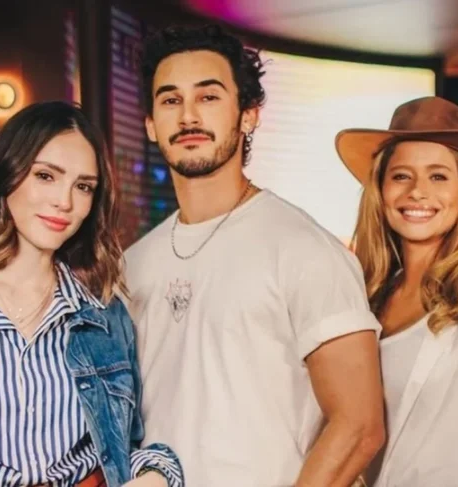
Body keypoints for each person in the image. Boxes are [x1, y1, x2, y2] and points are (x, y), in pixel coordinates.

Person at [124, 24, 385, 487]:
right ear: (149, 124)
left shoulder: (304, 249)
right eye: (170, 100)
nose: (188, 116)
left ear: (248, 115)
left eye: (208, 97)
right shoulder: (132, 265)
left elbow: (360, 426)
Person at [0, 101, 183, 487]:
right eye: (46, 176)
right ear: (7, 175)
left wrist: (158, 472)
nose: (65, 201)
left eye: (83, 186)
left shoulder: (104, 316)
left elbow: (124, 445)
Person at [336, 96, 458, 486]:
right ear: (381, 189)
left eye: (438, 177)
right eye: (402, 176)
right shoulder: (361, 293)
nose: (418, 192)